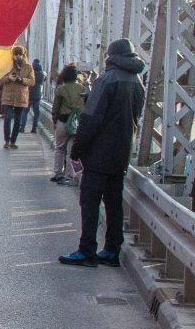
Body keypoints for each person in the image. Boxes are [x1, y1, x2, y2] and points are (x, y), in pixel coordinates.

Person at [61, 39, 146, 268]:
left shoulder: (106, 80)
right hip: (121, 153)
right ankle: (111, 250)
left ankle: (86, 251)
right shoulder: (137, 82)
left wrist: (77, 151)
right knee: (114, 203)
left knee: (89, 203)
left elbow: (91, 120)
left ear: (110, 57)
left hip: (99, 154)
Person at [0, 46, 35, 148]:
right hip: (8, 95)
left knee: (18, 119)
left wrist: (22, 80)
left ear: (23, 55)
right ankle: (7, 140)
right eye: (16, 54)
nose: (18, 57)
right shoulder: (7, 66)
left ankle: (13, 141)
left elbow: (32, 81)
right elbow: (0, 80)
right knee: (7, 118)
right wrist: (8, 78)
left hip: (21, 96)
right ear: (12, 55)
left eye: (20, 55)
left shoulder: (28, 67)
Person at [49, 64, 82, 185]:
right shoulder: (82, 88)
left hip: (63, 121)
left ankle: (58, 173)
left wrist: (54, 121)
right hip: (76, 123)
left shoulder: (61, 89)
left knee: (59, 148)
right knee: (72, 151)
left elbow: (56, 108)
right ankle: (70, 176)